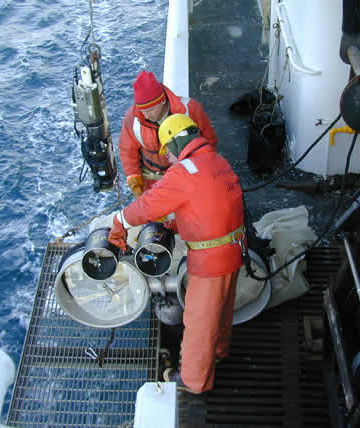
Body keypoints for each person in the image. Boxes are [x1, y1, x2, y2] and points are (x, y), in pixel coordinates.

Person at [109, 114, 245, 394]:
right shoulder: (217, 161)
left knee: (198, 322)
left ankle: (194, 381)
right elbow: (208, 204)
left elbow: (148, 206)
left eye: (167, 152)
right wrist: (178, 221)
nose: (168, 159)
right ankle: (219, 351)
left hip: (210, 262)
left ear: (176, 143)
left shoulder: (183, 172)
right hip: (235, 250)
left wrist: (121, 220)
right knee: (222, 309)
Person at [119, 70, 217, 198]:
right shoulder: (132, 118)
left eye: (151, 109)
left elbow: (209, 141)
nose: (146, 115)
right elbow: (127, 152)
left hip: (187, 178)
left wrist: (207, 174)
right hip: (152, 184)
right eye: (142, 110)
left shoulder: (191, 110)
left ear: (162, 101)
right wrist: (135, 184)